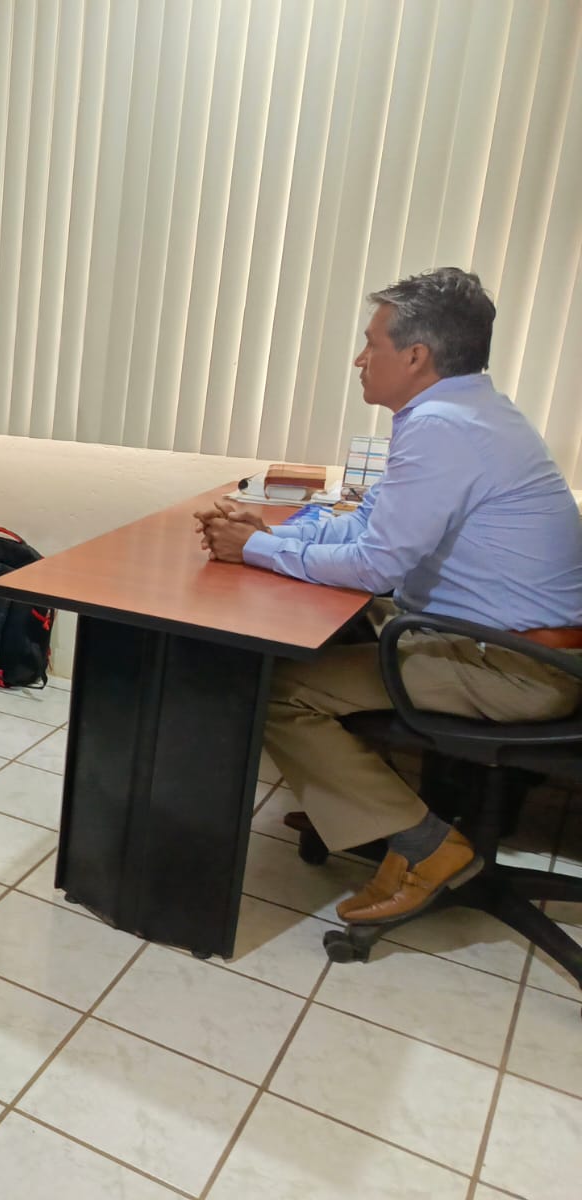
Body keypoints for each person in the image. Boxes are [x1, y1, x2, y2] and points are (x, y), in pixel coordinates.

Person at [197, 268, 582, 926]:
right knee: (328, 633)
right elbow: (372, 524)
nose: (359, 358)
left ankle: (427, 846)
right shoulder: (469, 411)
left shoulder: (444, 428)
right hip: (502, 643)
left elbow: (376, 565)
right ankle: (353, 806)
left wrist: (254, 549)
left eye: (371, 343)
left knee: (280, 692)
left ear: (415, 356)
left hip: (517, 666)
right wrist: (266, 535)